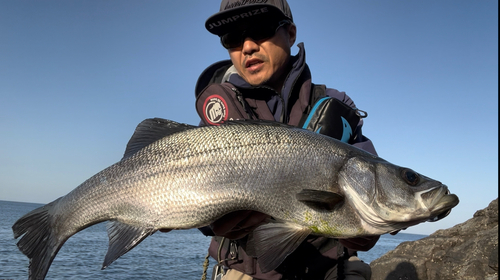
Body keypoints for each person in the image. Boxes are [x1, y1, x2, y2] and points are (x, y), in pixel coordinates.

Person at [193, 1, 380, 279]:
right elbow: (191, 200)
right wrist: (210, 222)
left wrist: (365, 235)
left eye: (260, 30)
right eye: (232, 38)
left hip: (328, 267)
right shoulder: (217, 116)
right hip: (246, 269)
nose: (247, 47)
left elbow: (375, 191)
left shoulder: (337, 105)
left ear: (291, 34)